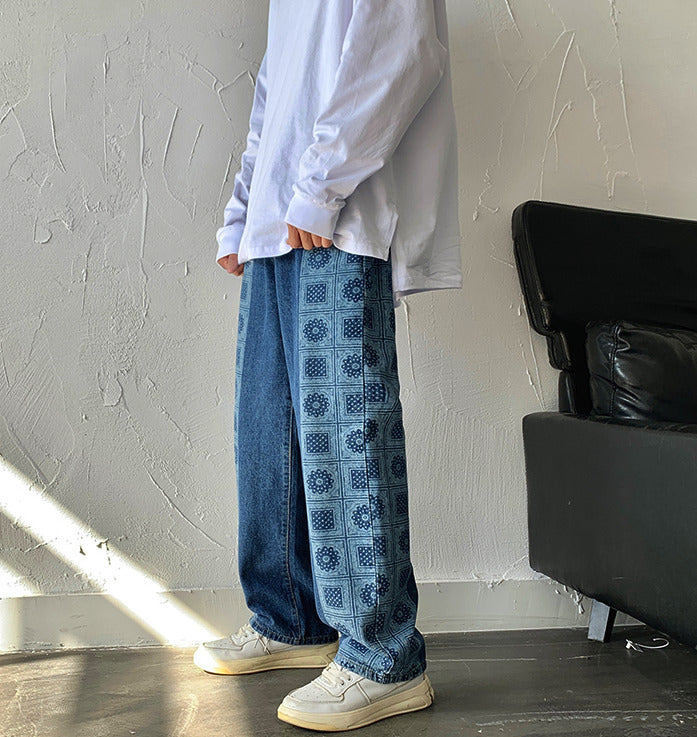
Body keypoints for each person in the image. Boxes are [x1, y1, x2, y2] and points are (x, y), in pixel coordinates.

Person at [194, 0, 461, 730]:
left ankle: (384, 657)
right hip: (277, 223)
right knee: (267, 435)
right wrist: (242, 211)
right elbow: (273, 91)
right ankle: (290, 618)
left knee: (347, 434)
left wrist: (319, 186)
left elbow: (403, 51)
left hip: (340, 216)